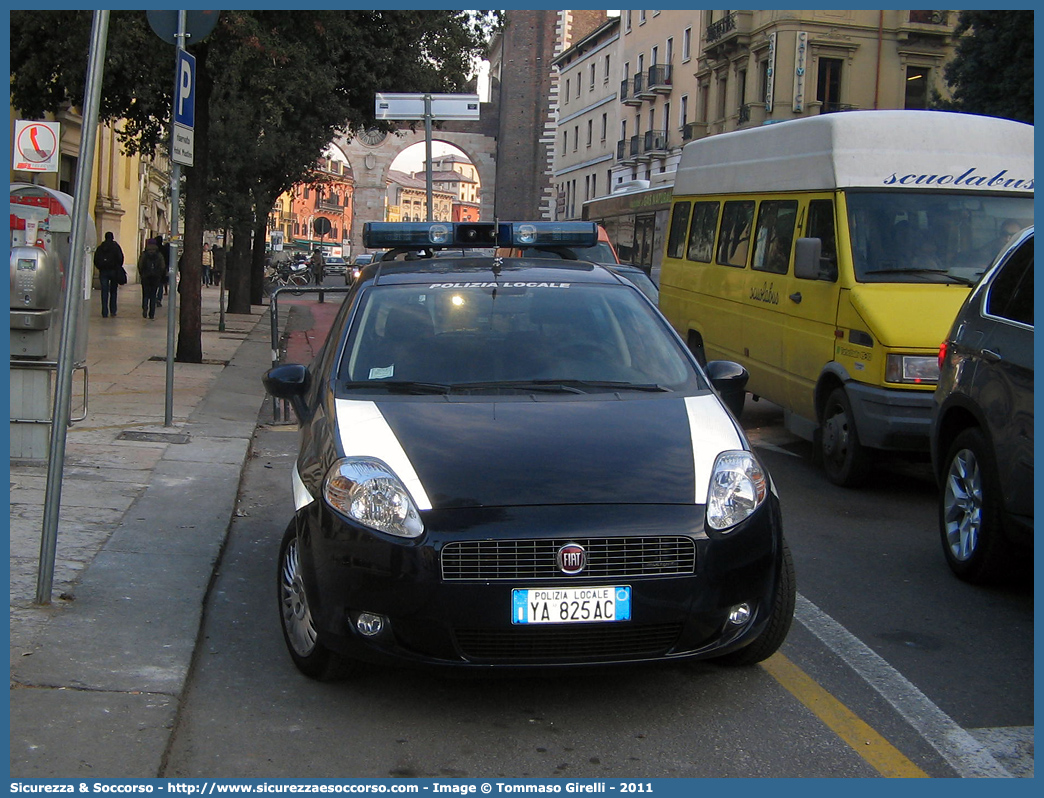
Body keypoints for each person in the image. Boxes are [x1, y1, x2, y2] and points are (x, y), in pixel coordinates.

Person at [93, 231, 124, 318]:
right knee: (113, 291)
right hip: (114, 271)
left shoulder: (100, 247)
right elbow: (120, 258)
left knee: (104, 291)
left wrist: (100, 267)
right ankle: (113, 310)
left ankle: (104, 311)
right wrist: (117, 266)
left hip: (103, 271)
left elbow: (96, 259)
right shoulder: (116, 247)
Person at [138, 238, 167, 319]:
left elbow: (140, 265)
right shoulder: (159, 255)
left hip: (145, 277)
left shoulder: (144, 254)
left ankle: (145, 307)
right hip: (155, 277)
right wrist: (160, 274)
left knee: (145, 294)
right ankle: (152, 313)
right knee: (153, 295)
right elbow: (162, 266)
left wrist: (142, 274)